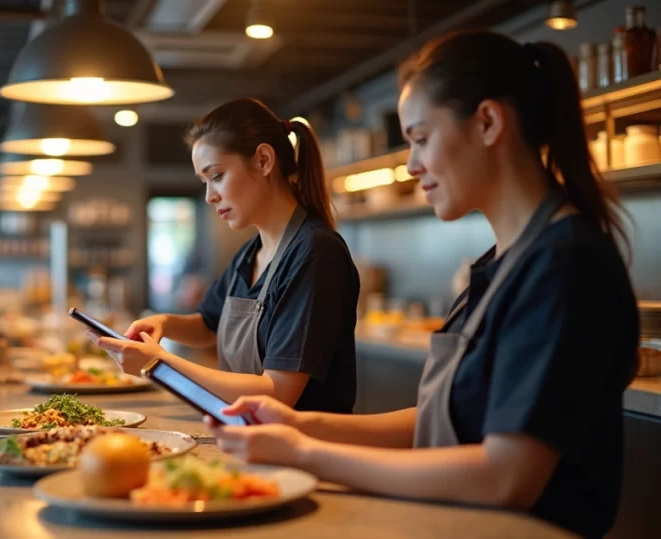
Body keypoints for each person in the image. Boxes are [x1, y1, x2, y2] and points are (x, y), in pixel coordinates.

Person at [206, 31, 639, 539]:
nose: (411, 165)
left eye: (420, 138)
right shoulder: (504, 262)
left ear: (487, 122)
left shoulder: (564, 266)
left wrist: (308, 454)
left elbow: (506, 477)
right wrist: (296, 424)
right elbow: (440, 419)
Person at [89, 98, 360, 412]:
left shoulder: (314, 254)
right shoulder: (251, 253)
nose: (209, 196)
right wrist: (163, 322)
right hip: (253, 442)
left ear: (263, 160)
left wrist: (162, 363)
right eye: (204, 182)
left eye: (216, 176)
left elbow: (278, 391)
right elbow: (209, 325)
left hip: (302, 455)